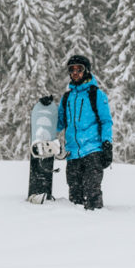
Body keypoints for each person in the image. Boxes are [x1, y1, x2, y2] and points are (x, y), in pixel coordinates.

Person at [41, 54, 113, 210]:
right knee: (75, 200)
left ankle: (98, 221)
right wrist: (47, 110)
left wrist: (107, 143)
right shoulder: (67, 97)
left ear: (86, 71)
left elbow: (106, 121)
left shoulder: (96, 95)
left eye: (79, 69)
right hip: (73, 154)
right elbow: (59, 123)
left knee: (92, 195)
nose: (75, 73)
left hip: (92, 152)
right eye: (72, 70)